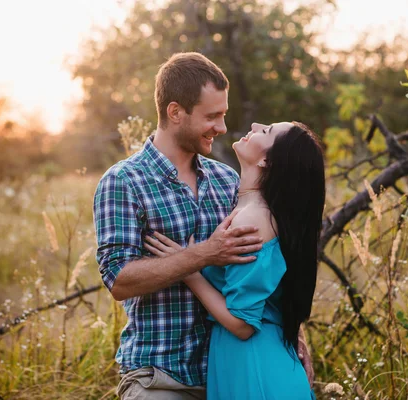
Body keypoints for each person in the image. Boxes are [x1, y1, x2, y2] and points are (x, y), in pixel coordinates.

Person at [93, 52, 312, 399]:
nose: (223, 128)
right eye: (212, 116)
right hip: (160, 376)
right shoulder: (123, 181)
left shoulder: (228, 180)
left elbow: (263, 272)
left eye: (223, 115)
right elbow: (119, 280)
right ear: (175, 112)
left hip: (228, 370)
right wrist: (203, 255)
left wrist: (290, 333)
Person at [145, 121, 325, 399]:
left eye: (266, 131)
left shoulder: (254, 218)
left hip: (255, 365)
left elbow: (243, 324)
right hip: (256, 358)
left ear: (267, 160)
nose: (254, 124)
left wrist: (189, 270)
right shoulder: (248, 207)